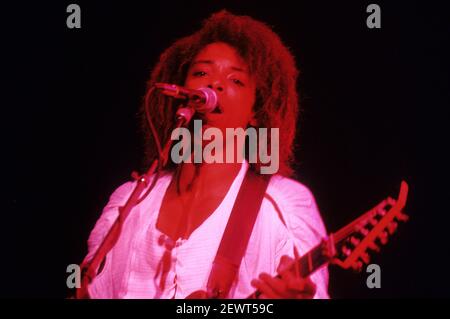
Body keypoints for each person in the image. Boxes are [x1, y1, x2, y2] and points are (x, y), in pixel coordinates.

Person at [81, 10, 329, 299]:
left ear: (256, 111)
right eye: (201, 73)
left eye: (236, 80)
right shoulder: (130, 202)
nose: (215, 84)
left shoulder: (284, 205)